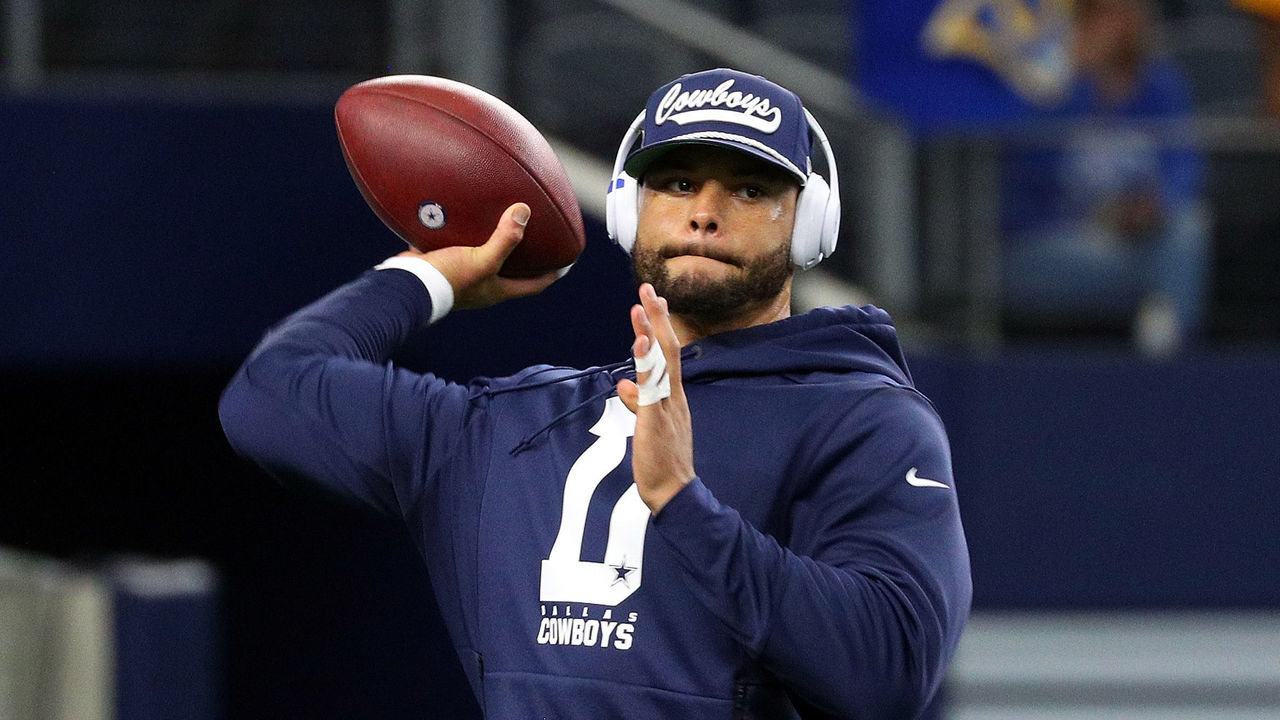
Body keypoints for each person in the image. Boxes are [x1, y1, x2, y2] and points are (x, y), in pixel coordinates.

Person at [219, 68, 971, 719]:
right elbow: (269, 393)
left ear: (808, 223)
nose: (705, 210)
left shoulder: (863, 421)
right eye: (677, 183)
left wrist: (683, 502)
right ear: (627, 207)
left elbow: (889, 677)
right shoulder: (510, 425)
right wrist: (430, 278)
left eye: (750, 188)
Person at [1000, 0, 1210, 355]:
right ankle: (1164, 320)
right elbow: (1026, 181)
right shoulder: (1049, 86)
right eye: (1112, 14)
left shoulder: (1161, 85)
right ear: (1085, 21)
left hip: (1138, 238)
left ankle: (1169, 347)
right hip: (1060, 239)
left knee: (1188, 228)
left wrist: (1156, 204)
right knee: (1159, 271)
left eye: (1131, 12)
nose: (1125, 24)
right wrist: (1081, 78)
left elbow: (1185, 168)